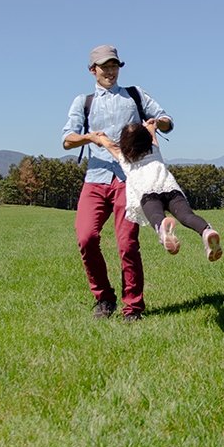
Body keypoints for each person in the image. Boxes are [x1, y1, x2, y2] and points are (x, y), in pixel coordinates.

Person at [62, 45, 173, 321]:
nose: (110, 72)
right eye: (104, 67)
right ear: (93, 70)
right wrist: (92, 138)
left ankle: (133, 307)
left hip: (129, 180)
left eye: (114, 66)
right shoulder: (83, 102)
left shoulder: (134, 95)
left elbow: (167, 120)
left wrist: (160, 123)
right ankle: (103, 298)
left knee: (127, 244)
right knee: (86, 238)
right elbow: (67, 140)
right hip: (96, 179)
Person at [92, 120, 223, 262]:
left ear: (124, 143)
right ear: (147, 140)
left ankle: (162, 227)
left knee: (155, 215)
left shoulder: (125, 158)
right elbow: (151, 131)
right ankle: (206, 230)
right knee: (187, 216)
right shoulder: (154, 150)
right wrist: (151, 125)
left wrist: (100, 137)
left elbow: (111, 146)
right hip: (170, 188)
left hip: (148, 193)